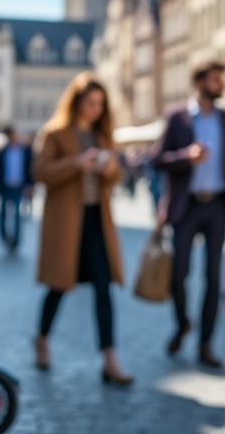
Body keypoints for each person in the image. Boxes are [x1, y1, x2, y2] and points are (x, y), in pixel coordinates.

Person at [32, 73, 133, 385]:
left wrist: (111, 168)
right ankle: (43, 339)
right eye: (91, 103)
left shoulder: (103, 136)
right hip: (66, 223)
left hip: (96, 221)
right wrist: (76, 163)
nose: (96, 110)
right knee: (59, 285)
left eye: (100, 104)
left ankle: (110, 358)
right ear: (76, 102)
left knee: (103, 287)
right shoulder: (56, 133)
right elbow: (40, 172)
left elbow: (118, 177)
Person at [153, 58, 225, 369]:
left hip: (218, 206)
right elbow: (157, 159)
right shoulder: (178, 118)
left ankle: (206, 343)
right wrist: (186, 157)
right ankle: (183, 322)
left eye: (221, 79)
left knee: (213, 277)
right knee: (178, 274)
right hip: (187, 206)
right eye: (215, 79)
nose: (221, 84)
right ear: (199, 83)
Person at [0, 126, 34, 254]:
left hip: (18, 186)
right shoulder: (3, 151)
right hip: (5, 187)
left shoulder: (25, 151)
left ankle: (15, 241)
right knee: (2, 214)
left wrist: (30, 185)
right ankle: (5, 237)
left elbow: (30, 168)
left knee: (17, 214)